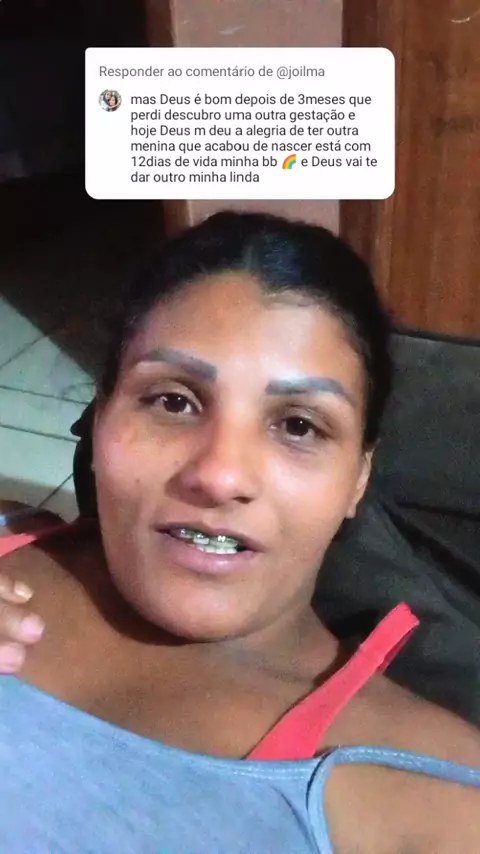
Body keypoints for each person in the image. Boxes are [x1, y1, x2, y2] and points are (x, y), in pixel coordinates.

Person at [0, 211, 478, 853]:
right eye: (173, 401)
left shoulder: (433, 799)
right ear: (102, 415)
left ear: (358, 477)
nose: (220, 476)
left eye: (299, 426)